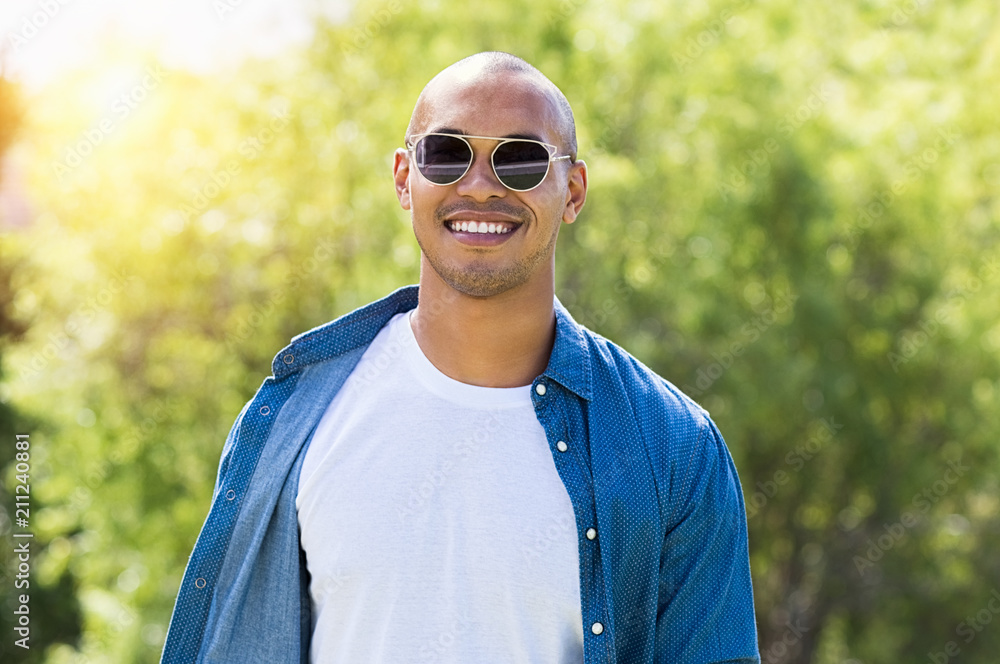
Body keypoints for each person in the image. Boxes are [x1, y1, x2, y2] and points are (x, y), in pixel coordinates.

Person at [160, 51, 760, 664]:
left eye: (520, 159)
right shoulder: (295, 419)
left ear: (572, 190)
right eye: (446, 153)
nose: (479, 185)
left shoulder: (671, 448)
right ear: (403, 179)